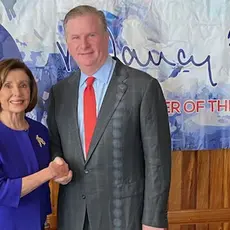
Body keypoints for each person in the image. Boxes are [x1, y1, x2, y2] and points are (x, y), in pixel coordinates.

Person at [47, 5, 171, 230]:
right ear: (67, 43)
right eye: (75, 37)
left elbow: (158, 162)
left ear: (107, 37)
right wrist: (58, 163)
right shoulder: (60, 93)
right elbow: (56, 145)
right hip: (74, 217)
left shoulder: (143, 87)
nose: (83, 45)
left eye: (91, 35)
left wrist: (153, 221)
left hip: (124, 217)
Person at [0, 58, 69, 230]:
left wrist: (61, 174)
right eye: (8, 85)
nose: (17, 92)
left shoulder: (40, 131)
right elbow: (2, 191)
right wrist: (49, 172)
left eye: (23, 85)